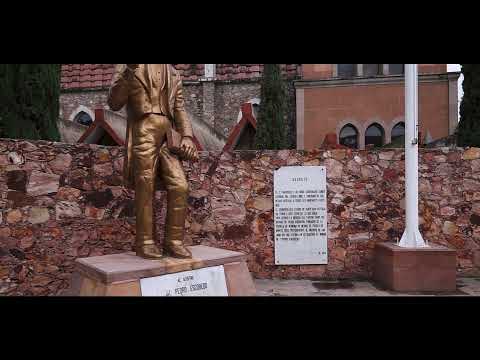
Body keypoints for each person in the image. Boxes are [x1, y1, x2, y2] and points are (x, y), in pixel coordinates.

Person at [108, 64, 198, 259]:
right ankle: (145, 242)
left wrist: (188, 136)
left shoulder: (173, 73)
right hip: (143, 129)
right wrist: (129, 71)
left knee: (180, 186)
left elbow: (180, 109)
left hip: (168, 135)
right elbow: (114, 102)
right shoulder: (128, 66)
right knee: (145, 184)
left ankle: (173, 242)